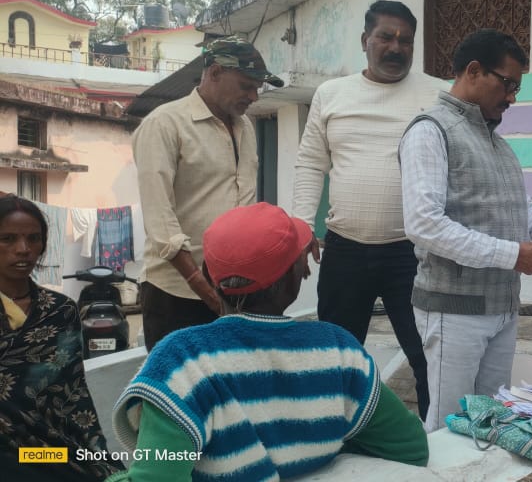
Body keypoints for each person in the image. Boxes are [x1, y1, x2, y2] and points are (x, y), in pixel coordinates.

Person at [107, 203, 428, 482]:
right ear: (295, 279)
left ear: (209, 275)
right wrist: (329, 447)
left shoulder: (182, 363)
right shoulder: (338, 351)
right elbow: (410, 446)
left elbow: (158, 474)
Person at [399, 29, 532, 431]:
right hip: (453, 309)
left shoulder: (499, 147)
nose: (512, 98)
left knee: (491, 423)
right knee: (448, 427)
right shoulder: (430, 131)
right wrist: (513, 255)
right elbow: (424, 224)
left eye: (517, 87)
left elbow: (525, 218)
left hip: (502, 309)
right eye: (508, 84)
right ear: (474, 71)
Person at [292, 0, 443, 419]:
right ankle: (333, 434)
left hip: (413, 254)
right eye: (385, 37)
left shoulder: (438, 94)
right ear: (365, 40)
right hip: (346, 251)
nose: (396, 47)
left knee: (427, 355)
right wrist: (301, 227)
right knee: (336, 357)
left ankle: (435, 438)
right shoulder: (331, 94)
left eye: (406, 40)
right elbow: (311, 163)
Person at [133, 36, 283, 349]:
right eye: (246, 86)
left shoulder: (245, 127)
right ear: (214, 72)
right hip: (176, 292)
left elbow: (245, 204)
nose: (254, 96)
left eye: (257, 88)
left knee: (233, 377)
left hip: (236, 290)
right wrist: (203, 288)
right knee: (179, 379)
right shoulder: (164, 124)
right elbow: (160, 219)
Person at [0, 195, 124, 481]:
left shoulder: (60, 310)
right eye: (7, 239)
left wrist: (93, 453)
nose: (23, 249)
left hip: (48, 449)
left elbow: (74, 394)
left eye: (33, 239)